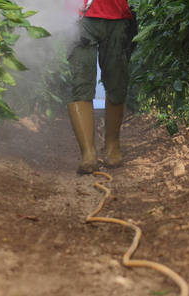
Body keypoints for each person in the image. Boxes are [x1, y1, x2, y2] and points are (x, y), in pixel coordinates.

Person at [67, 0, 134, 174]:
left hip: (117, 16)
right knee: (80, 82)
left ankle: (112, 145)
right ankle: (88, 153)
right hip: (79, 16)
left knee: (117, 82)